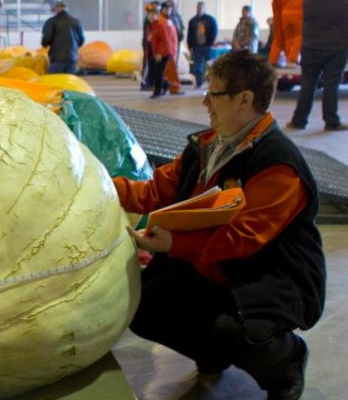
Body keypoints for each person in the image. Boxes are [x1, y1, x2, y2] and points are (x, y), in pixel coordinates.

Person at [115, 50, 325, 400]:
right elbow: (155, 191)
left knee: (243, 333)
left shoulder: (278, 164)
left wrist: (175, 246)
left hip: (270, 275)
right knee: (143, 305)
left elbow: (243, 238)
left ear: (245, 100)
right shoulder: (206, 146)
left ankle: (286, 360)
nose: (205, 103)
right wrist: (102, 185)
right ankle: (210, 352)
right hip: (212, 263)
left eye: (214, 94)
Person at [288, 0, 348, 131]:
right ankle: (331, 121)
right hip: (337, 45)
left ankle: (298, 121)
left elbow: (303, 15)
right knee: (332, 84)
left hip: (311, 44)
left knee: (307, 83)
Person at [270, 0, 306, 67]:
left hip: (284, 17)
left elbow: (274, 4)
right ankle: (292, 60)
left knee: (287, 39)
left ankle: (281, 60)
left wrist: (277, 15)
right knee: (298, 38)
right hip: (298, 17)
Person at [41, 1, 85, 74]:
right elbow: (82, 40)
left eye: (54, 10)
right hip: (72, 59)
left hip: (56, 60)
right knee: (69, 83)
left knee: (54, 83)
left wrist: (44, 43)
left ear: (57, 9)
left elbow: (45, 40)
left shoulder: (51, 22)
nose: (54, 12)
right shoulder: (77, 22)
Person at [187, 1, 218, 88]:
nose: (199, 10)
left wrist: (211, 42)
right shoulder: (192, 21)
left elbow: (214, 31)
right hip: (197, 47)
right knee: (198, 67)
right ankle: (199, 82)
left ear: (204, 9)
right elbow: (189, 34)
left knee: (210, 65)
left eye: (201, 8)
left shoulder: (210, 19)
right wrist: (190, 46)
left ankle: (212, 83)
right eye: (198, 8)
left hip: (208, 46)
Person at [147, 5, 175, 98]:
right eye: (149, 14)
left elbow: (165, 40)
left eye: (153, 14)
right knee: (158, 72)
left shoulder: (160, 24)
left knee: (158, 72)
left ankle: (157, 92)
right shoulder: (151, 25)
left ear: (157, 15)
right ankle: (166, 85)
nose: (151, 16)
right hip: (158, 53)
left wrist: (159, 53)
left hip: (165, 53)